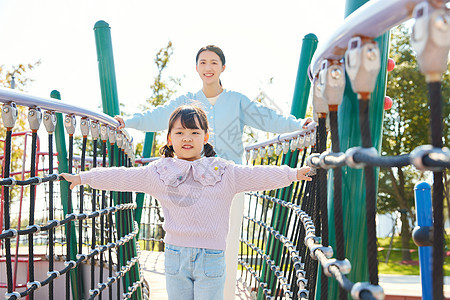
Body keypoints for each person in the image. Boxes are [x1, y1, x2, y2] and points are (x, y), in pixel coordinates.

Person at [115, 45, 313, 298]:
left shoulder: (237, 100)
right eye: (203, 62)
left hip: (225, 181)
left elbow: (267, 118)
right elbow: (159, 115)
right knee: (187, 244)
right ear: (196, 67)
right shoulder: (186, 103)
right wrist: (128, 121)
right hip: (189, 182)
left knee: (223, 247)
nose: (208, 68)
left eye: (213, 62)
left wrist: (298, 124)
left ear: (223, 67)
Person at [62, 105, 311, 300]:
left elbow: (257, 175)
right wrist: (84, 177)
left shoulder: (224, 171)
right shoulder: (158, 172)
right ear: (169, 138)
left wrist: (293, 174)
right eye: (179, 132)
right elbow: (124, 177)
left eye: (194, 132)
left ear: (205, 137)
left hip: (211, 257)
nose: (187, 138)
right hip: (175, 256)